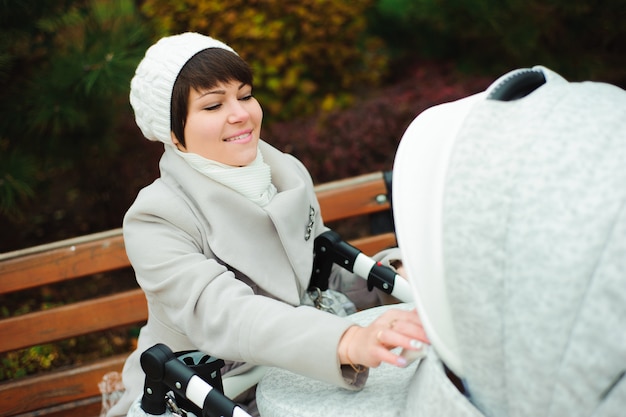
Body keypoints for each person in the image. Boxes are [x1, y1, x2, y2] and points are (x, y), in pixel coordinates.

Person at [107, 32, 427, 417]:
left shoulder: (285, 176)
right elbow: (227, 313)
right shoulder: (157, 218)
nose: (241, 113)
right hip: (206, 393)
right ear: (174, 133)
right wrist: (344, 341)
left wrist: (401, 275)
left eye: (244, 96)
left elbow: (316, 279)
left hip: (299, 371)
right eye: (213, 106)